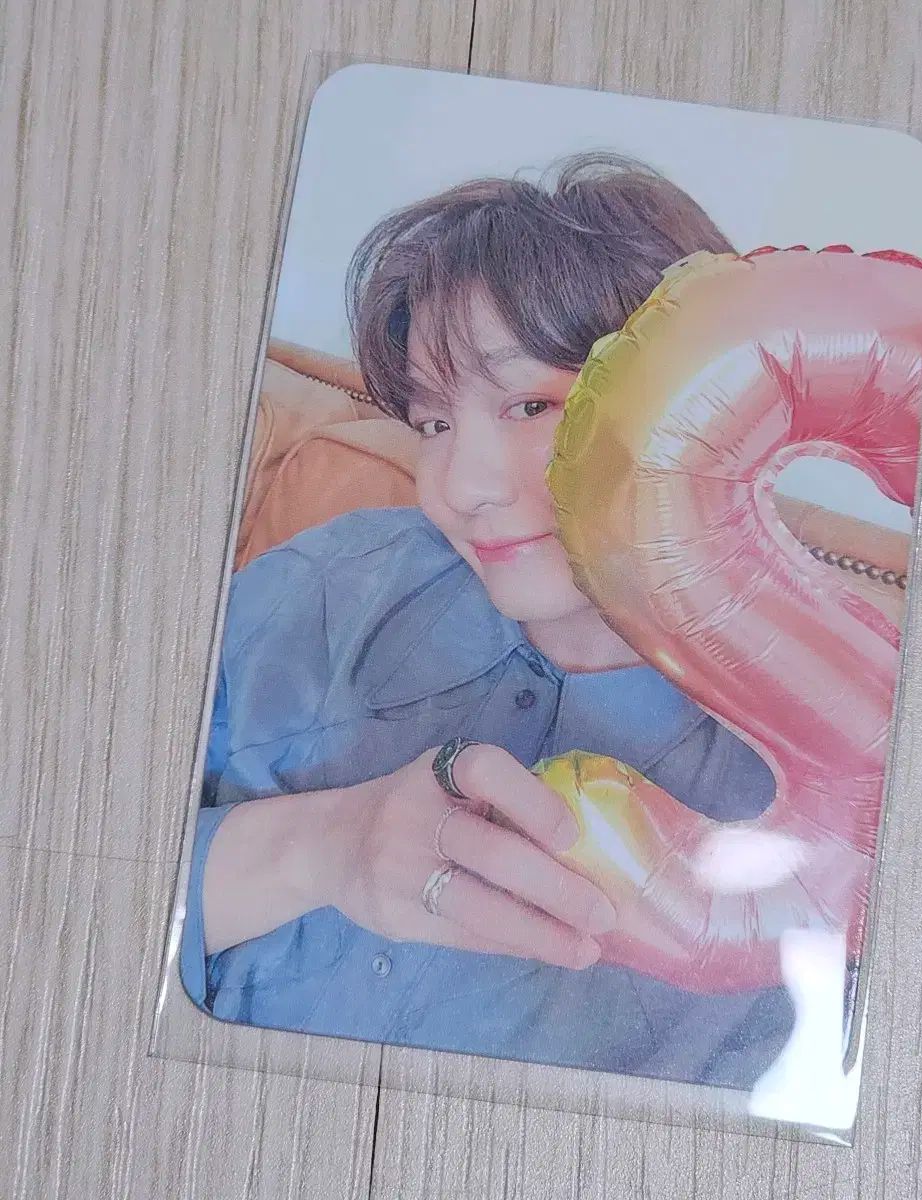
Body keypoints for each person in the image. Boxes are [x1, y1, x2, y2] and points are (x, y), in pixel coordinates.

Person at [180, 153, 807, 1088]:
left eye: (530, 404)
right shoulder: (327, 585)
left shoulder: (812, 791)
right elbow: (65, 855)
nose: (460, 486)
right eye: (433, 422)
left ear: (704, 401)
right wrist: (316, 846)